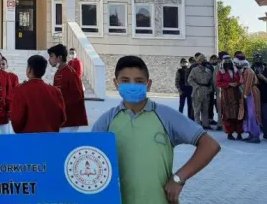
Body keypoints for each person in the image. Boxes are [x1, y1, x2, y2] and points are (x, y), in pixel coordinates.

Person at [92, 55, 221, 204]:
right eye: (125, 81)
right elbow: (89, 158)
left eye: (139, 81)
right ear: (116, 84)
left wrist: (178, 179)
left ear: (148, 84)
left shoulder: (165, 116)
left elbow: (210, 145)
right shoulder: (106, 122)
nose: (132, 85)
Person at [10, 54, 66, 133]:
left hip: (28, 138)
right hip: (51, 137)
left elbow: (17, 120)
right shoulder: (55, 91)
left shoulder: (20, 90)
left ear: (29, 69)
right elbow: (62, 118)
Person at [48, 44, 88, 132]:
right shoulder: (59, 72)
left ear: (59, 57)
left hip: (70, 120)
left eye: (51, 56)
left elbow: (77, 97)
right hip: (62, 119)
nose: (49, 59)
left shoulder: (71, 73)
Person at [215, 53, 244, 140]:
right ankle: (230, 133)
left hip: (236, 94)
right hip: (226, 95)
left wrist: (237, 83)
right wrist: (229, 84)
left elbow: (241, 80)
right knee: (228, 115)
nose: (228, 62)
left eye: (229, 60)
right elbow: (218, 83)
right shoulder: (220, 71)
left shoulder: (236, 71)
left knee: (238, 114)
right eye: (226, 61)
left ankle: (239, 133)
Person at [238, 56, 262, 143]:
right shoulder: (246, 71)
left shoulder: (248, 71)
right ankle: (251, 134)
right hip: (249, 92)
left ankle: (255, 135)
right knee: (248, 114)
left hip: (251, 93)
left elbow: (248, 83)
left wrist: (245, 94)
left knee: (253, 114)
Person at [187, 53, 213, 130]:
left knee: (205, 109)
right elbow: (190, 80)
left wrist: (210, 89)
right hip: (197, 92)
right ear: (199, 61)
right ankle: (197, 125)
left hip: (206, 91)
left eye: (205, 60)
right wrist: (196, 87)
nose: (204, 61)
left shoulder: (208, 71)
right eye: (202, 60)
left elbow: (211, 82)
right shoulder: (194, 70)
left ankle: (205, 124)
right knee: (197, 109)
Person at [252, 55, 267, 141]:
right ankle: (254, 133)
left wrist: (263, 77)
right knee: (253, 115)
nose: (257, 60)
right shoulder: (250, 69)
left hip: (266, 95)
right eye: (256, 58)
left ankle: (266, 133)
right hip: (254, 95)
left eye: (259, 58)